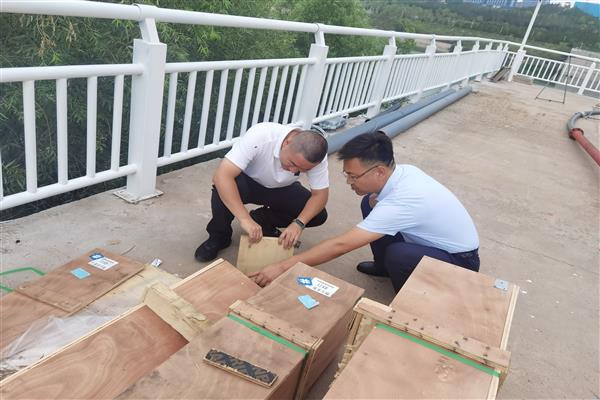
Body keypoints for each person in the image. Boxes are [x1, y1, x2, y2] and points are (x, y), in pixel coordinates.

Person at [250, 132, 480, 292]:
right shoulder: (403, 173)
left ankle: (411, 299)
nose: (349, 182)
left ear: (379, 171)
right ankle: (384, 266)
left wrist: (282, 266)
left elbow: (342, 245)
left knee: (400, 254)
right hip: (432, 243)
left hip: (460, 262)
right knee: (369, 203)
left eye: (354, 176)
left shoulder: (405, 200)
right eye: (347, 174)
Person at [195, 122, 329, 262]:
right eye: (293, 163)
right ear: (287, 143)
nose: (294, 171)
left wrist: (299, 224)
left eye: (303, 170)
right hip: (248, 183)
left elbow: (320, 196)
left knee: (318, 215)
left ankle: (262, 219)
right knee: (222, 188)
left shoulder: (316, 156)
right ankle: (219, 236)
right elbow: (222, 176)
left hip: (282, 188)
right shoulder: (261, 135)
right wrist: (244, 219)